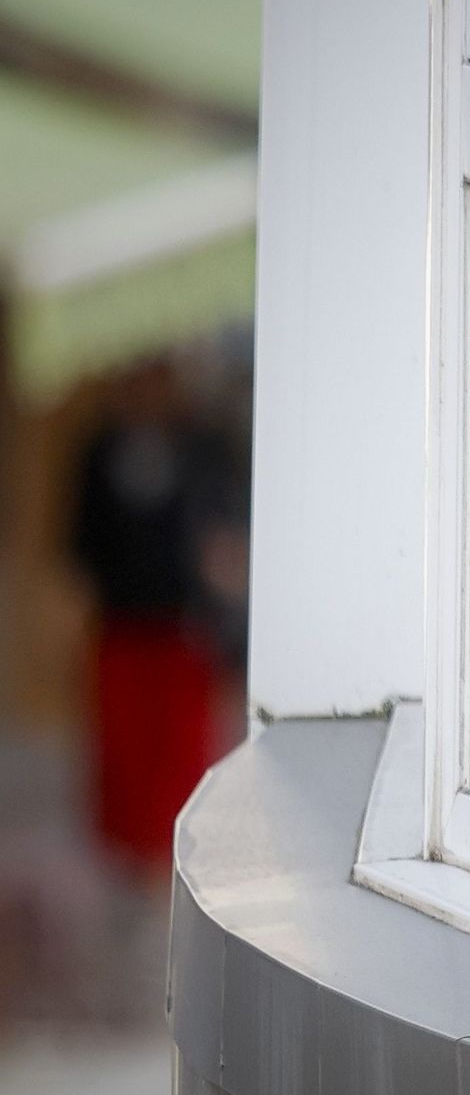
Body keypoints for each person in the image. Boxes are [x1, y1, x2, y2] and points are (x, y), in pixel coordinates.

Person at [68, 360, 236, 873]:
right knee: (124, 754)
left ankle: (173, 863)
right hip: (121, 629)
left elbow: (218, 531)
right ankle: (129, 863)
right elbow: (81, 541)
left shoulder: (199, 448)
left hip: (183, 631)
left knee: (180, 755)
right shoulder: (101, 451)